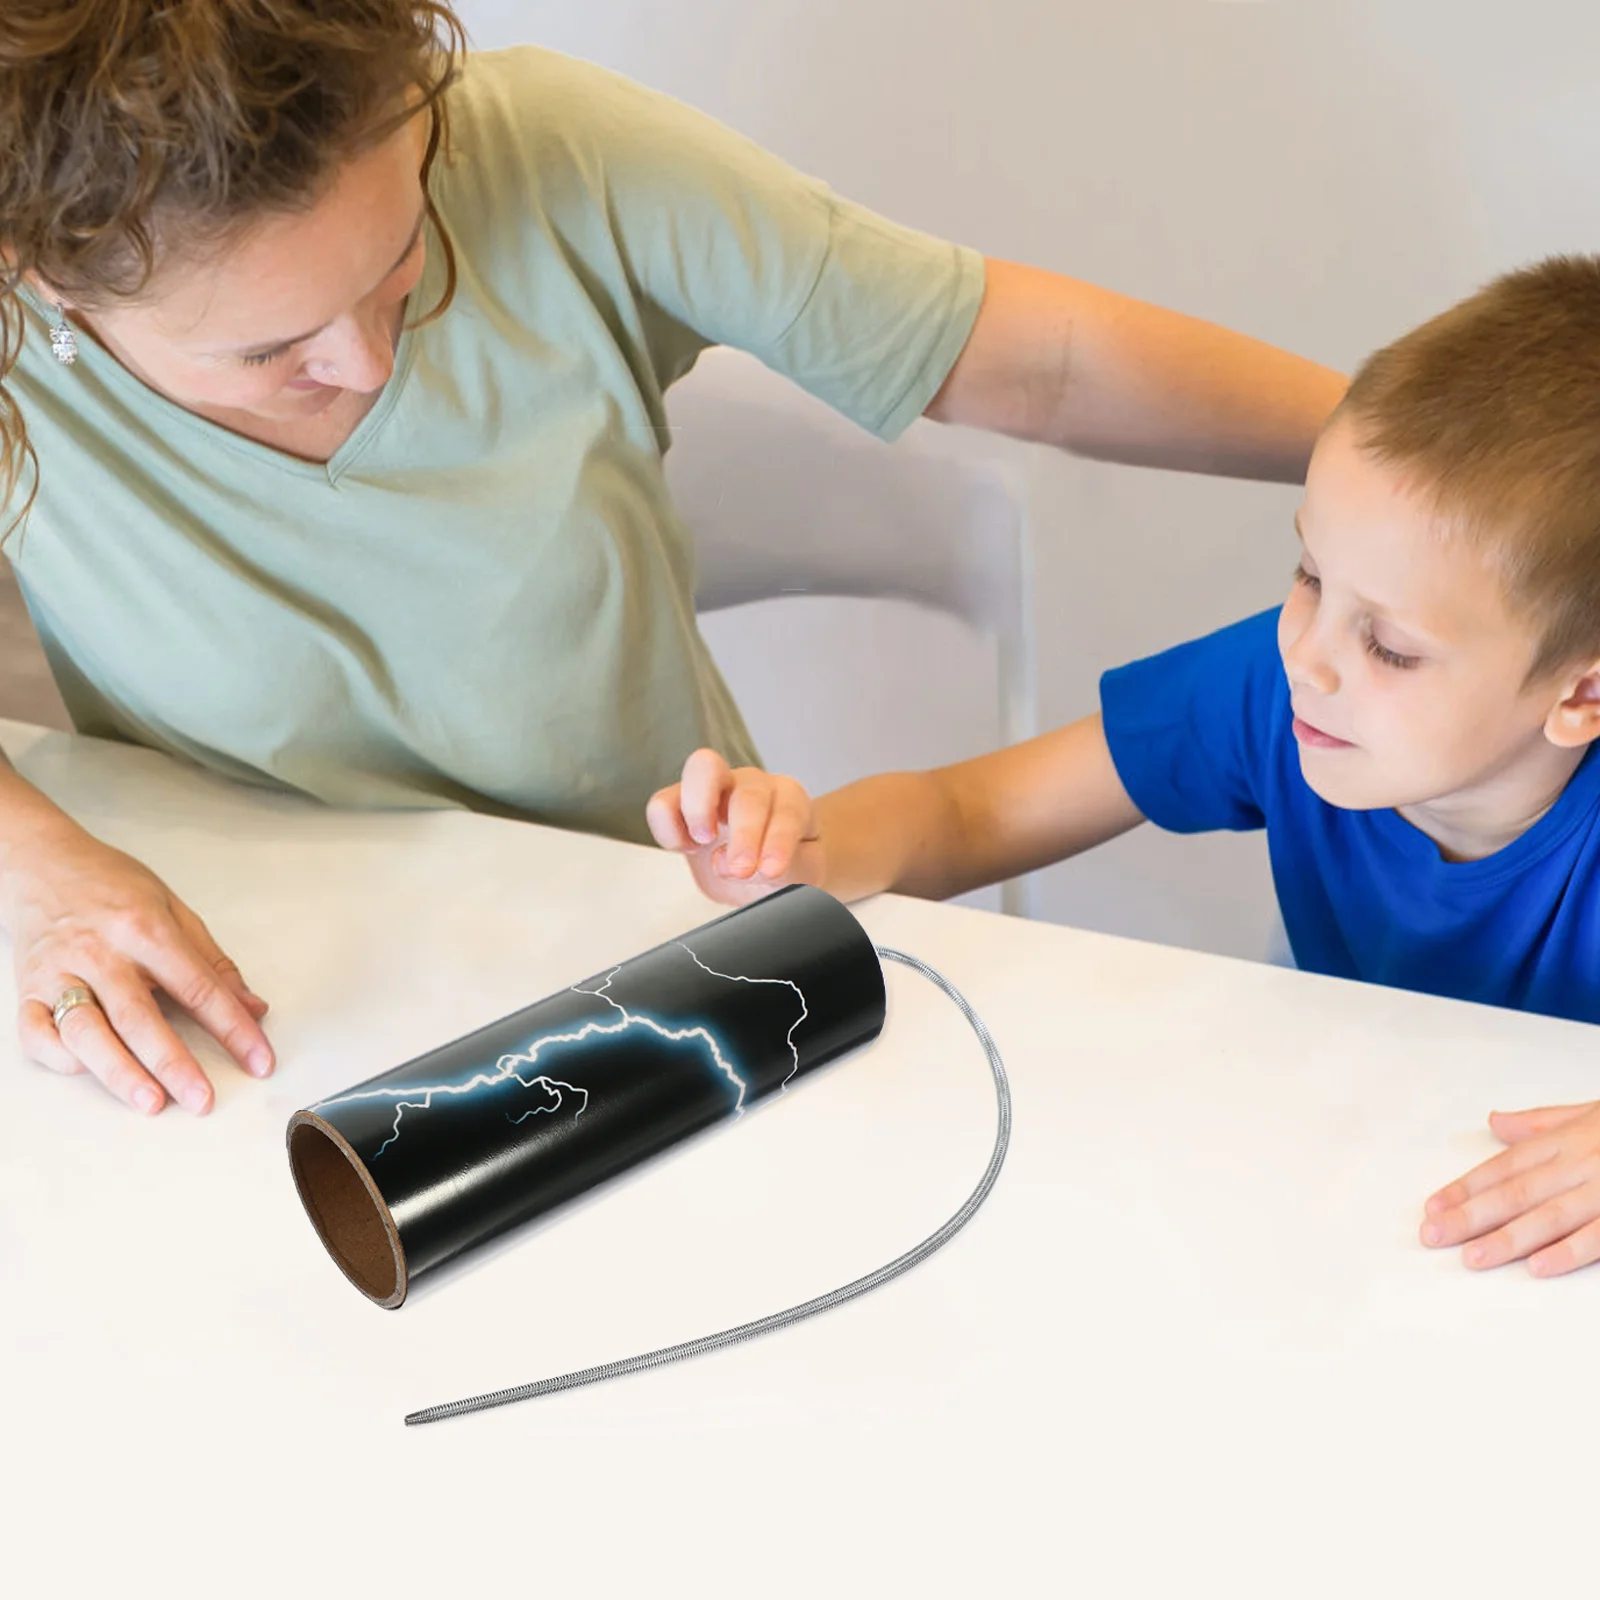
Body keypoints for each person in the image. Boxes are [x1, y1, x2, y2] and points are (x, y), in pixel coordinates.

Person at [0, 0, 1344, 1118]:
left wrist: (1415, 468)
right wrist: (47, 864)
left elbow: (1028, 360)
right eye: (267, 353)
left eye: (404, 263)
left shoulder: (549, 148)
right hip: (255, 996)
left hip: (656, 967)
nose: (366, 360)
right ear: (45, 281)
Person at [649, 256, 1600, 1280]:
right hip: (1353, 1186)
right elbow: (967, 811)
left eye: (1393, 647)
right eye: (1308, 574)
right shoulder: (1272, 690)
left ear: (1580, 696)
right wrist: (809, 852)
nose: (1308, 656)